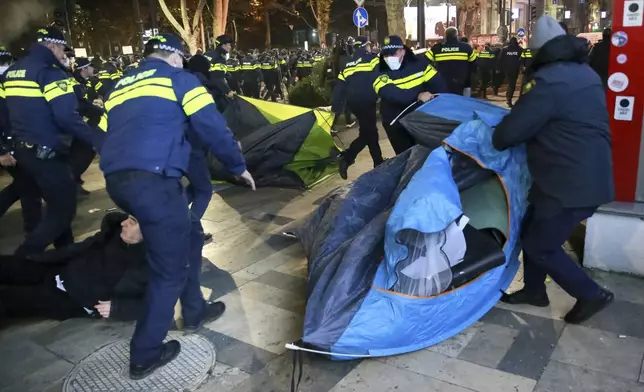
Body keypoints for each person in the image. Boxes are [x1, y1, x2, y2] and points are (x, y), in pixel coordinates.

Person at [98, 33, 255, 380]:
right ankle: (145, 354)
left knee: (190, 234)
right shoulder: (179, 79)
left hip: (118, 180)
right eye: (181, 57)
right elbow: (212, 124)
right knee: (168, 272)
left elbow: (102, 135)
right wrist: (237, 165)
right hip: (153, 183)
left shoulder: (120, 87)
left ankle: (196, 309)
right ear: (172, 56)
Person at [493, 16, 614, 324]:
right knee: (532, 226)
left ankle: (590, 294)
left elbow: (507, 134)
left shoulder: (550, 82)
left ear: (539, 51)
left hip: (568, 181)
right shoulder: (584, 72)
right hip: (582, 173)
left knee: (540, 244)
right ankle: (534, 291)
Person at [1, 27, 103, 256]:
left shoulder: (13, 72)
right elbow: (67, 116)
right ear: (53, 45)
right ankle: (23, 259)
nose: (64, 55)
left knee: (40, 203)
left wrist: (6, 146)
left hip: (23, 152)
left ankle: (64, 256)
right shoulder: (51, 73)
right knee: (63, 211)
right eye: (62, 50)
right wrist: (96, 140)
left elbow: (4, 113)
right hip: (46, 153)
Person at [0, 213, 147, 322]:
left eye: (132, 222)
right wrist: (40, 258)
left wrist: (117, 308)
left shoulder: (154, 263)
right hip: (58, 270)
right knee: (8, 265)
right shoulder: (115, 232)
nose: (124, 223)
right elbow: (78, 248)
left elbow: (160, 303)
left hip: (72, 298)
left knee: (9, 299)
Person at [373, 35, 448, 155]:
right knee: (405, 156)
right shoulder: (378, 69)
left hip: (420, 120)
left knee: (425, 155)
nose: (389, 58)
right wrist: (418, 96)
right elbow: (392, 94)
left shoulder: (419, 64)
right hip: (395, 122)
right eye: (386, 54)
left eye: (394, 53)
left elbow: (439, 84)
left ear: (403, 51)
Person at [332, 36, 383, 179]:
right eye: (369, 45)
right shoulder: (372, 59)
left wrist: (336, 107)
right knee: (368, 133)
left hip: (353, 103)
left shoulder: (348, 64)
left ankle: (378, 162)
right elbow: (380, 75)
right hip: (367, 100)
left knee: (370, 131)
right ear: (366, 46)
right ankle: (347, 158)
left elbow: (339, 87)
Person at [69, 57, 104, 196]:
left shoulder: (81, 81)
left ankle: (75, 181)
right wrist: (98, 110)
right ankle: (72, 181)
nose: (92, 69)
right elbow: (80, 104)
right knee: (85, 150)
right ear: (83, 69)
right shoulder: (75, 83)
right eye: (90, 67)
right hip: (73, 124)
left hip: (78, 121)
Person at [426, 27, 477, 95]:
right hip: (462, 83)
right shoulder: (466, 47)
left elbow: (425, 61)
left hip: (442, 83)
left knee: (445, 103)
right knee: (461, 103)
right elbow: (474, 63)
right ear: (457, 36)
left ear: (445, 36)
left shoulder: (437, 48)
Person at [205, 35, 235, 113]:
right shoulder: (220, 58)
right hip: (213, 92)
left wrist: (226, 74)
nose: (230, 47)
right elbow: (217, 78)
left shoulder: (207, 53)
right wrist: (228, 91)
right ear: (223, 45)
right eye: (229, 45)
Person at [496, 37, 523, 107]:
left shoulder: (505, 49)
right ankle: (509, 99)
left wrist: (498, 68)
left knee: (510, 83)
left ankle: (508, 97)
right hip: (515, 69)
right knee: (512, 84)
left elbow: (499, 59)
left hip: (506, 69)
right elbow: (523, 58)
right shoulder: (519, 49)